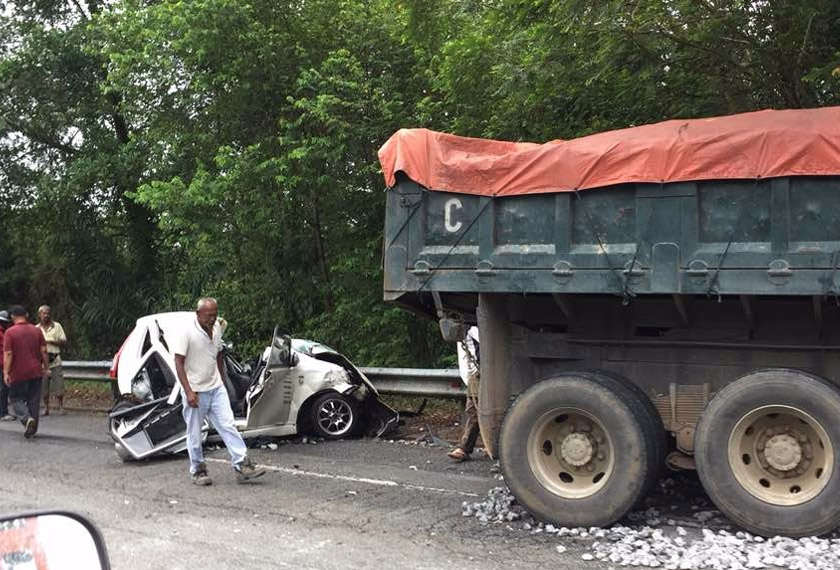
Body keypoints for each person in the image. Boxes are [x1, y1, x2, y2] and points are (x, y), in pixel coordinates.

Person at [172, 297, 265, 485]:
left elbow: (219, 353)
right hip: (195, 390)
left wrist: (222, 380)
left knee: (228, 425)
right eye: (208, 315)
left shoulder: (216, 329)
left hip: (215, 387)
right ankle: (198, 470)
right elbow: (178, 363)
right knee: (195, 432)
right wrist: (188, 391)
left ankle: (242, 465)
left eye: (215, 315)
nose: (212, 319)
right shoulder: (186, 332)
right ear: (198, 314)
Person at [2, 305, 48, 439]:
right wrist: (46, 367)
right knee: (33, 400)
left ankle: (26, 418)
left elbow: (8, 354)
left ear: (12, 317)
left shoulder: (10, 332)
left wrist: (6, 372)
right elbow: (44, 351)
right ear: (26, 315)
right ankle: (32, 429)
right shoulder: (37, 330)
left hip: (18, 372)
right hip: (35, 371)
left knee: (16, 398)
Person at [449, 326, 481, 461]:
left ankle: (464, 447)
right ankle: (464, 447)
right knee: (475, 411)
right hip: (476, 374)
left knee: (475, 411)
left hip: (481, 372)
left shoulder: (473, 327)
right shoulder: (468, 329)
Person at [37, 305, 67, 416]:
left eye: (48, 313)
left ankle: (61, 406)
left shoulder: (57, 326)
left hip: (55, 359)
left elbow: (63, 341)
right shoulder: (36, 328)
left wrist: (49, 341)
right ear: (39, 315)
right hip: (42, 362)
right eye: (43, 313)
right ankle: (46, 407)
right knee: (43, 386)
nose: (46, 315)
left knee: (59, 384)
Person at [0, 310, 15, 421]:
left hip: (4, 363)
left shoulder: (5, 332)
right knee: (3, 389)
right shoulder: (3, 333)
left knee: (4, 388)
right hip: (2, 363)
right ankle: (3, 412)